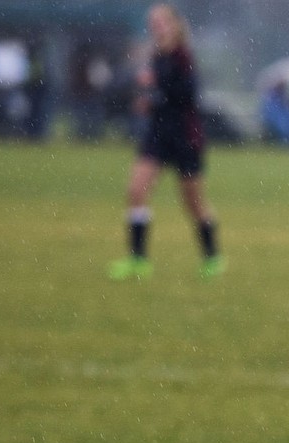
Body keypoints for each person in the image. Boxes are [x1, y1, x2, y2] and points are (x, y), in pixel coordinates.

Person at [109, 4, 223, 281]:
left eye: (161, 21)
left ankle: (212, 258)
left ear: (174, 24)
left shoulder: (183, 57)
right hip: (158, 135)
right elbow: (158, 94)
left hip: (185, 136)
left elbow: (187, 96)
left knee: (193, 203)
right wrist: (148, 100)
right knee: (136, 191)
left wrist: (156, 95)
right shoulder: (156, 56)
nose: (156, 27)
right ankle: (138, 260)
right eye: (153, 22)